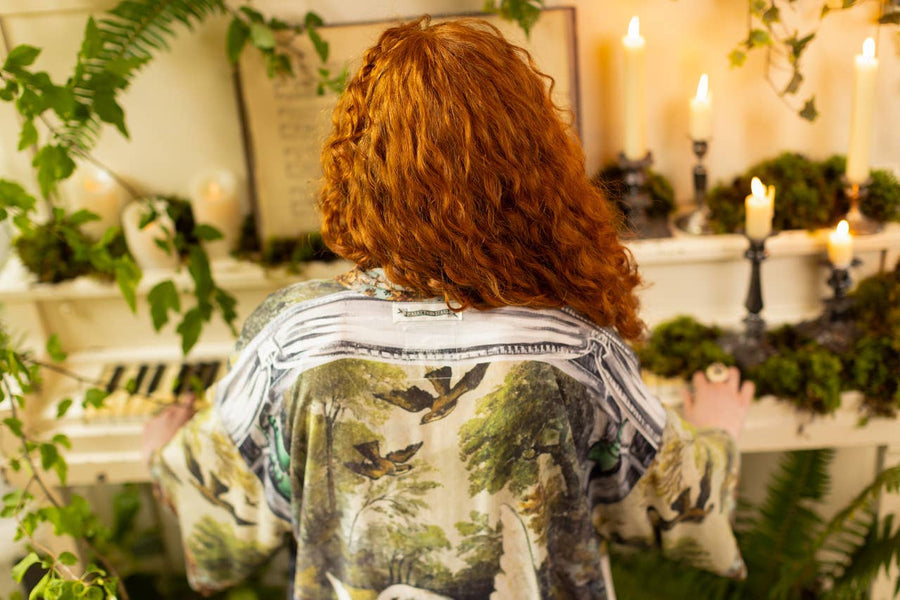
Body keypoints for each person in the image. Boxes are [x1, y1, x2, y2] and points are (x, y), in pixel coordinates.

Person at [143, 16, 754, 600]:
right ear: (531, 168)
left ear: (361, 169)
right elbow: (682, 509)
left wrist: (161, 453)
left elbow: (218, 514)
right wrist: (721, 430)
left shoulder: (291, 340)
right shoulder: (576, 345)